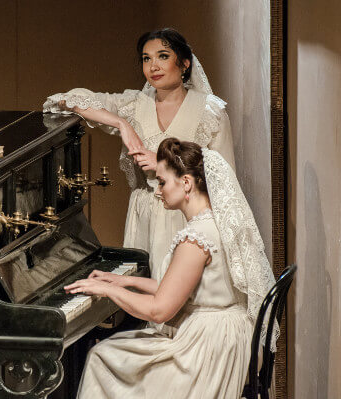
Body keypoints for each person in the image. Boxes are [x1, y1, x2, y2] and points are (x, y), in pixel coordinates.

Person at [63, 138, 276, 398]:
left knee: (101, 357)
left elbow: (159, 309)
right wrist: (122, 281)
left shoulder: (195, 239)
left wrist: (105, 291)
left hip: (207, 351)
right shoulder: (214, 224)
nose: (158, 190)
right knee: (114, 350)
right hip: (226, 337)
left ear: (186, 182)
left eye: (162, 182)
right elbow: (179, 288)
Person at [43, 28, 235, 280]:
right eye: (146, 58)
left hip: (187, 217)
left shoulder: (209, 110)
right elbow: (65, 100)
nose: (153, 65)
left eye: (163, 56)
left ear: (185, 63)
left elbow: (224, 178)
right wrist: (123, 124)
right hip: (145, 215)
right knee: (144, 299)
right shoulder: (135, 104)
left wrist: (165, 165)